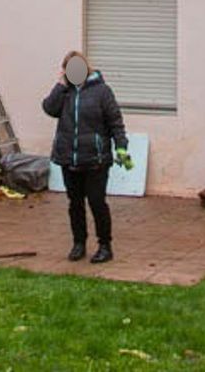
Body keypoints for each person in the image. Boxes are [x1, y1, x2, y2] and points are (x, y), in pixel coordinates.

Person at [41, 50, 130, 264]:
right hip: (69, 159)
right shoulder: (65, 93)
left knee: (97, 202)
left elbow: (115, 122)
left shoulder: (102, 92)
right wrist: (60, 85)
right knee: (75, 203)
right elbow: (48, 108)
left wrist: (121, 148)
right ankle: (78, 243)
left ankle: (105, 245)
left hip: (96, 160)